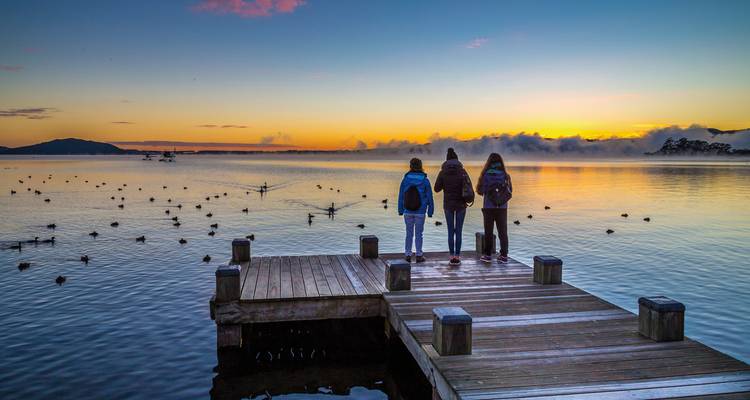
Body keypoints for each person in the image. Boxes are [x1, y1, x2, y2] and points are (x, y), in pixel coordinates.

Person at [434, 148, 471, 265]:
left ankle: (451, 256)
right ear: (457, 159)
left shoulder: (443, 172)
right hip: (461, 205)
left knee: (450, 231)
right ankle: (457, 256)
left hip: (448, 205)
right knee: (458, 231)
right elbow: (469, 187)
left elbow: (436, 189)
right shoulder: (463, 171)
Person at [476, 153, 512, 263]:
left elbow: (480, 190)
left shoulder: (486, 175)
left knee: (488, 231)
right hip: (502, 207)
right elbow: (510, 191)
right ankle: (504, 255)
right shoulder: (506, 176)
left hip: (488, 207)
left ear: (489, 162)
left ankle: (487, 255)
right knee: (503, 232)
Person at [398, 158, 434, 263]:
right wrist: (430, 211)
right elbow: (430, 196)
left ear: (410, 166)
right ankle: (419, 255)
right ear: (421, 166)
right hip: (421, 211)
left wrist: (400, 209)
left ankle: (408, 254)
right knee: (419, 233)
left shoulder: (405, 180)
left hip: (407, 210)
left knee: (408, 233)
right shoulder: (425, 180)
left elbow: (401, 196)